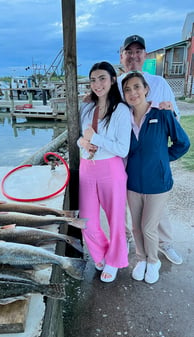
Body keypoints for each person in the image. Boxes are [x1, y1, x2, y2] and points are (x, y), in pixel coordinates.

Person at [118, 34, 183, 265]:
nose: (133, 56)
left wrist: (163, 156)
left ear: (145, 55)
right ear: (121, 56)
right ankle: (127, 239)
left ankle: (164, 243)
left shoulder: (159, 83)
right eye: (129, 52)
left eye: (138, 51)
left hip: (151, 157)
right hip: (123, 154)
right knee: (125, 203)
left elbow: (173, 116)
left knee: (156, 204)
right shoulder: (115, 84)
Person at [121, 71, 190, 283]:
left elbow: (183, 143)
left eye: (137, 87)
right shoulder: (123, 119)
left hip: (158, 183)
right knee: (135, 226)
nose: (133, 93)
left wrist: (162, 158)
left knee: (149, 227)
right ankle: (140, 258)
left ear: (146, 89)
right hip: (132, 182)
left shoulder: (162, 114)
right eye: (127, 89)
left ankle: (153, 261)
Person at [77, 61, 132, 283]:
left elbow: (122, 148)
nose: (97, 84)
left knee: (115, 219)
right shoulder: (87, 107)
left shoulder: (120, 110)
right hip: (86, 169)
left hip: (111, 168)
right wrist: (84, 142)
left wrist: (96, 139)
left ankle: (116, 259)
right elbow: (82, 137)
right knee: (87, 221)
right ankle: (101, 252)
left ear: (112, 80)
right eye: (93, 79)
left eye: (102, 78)